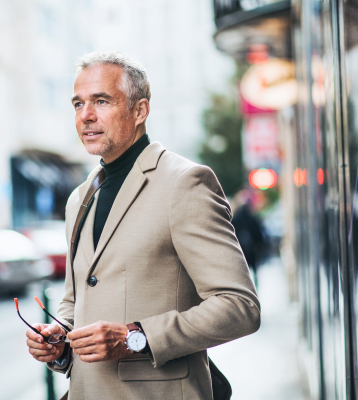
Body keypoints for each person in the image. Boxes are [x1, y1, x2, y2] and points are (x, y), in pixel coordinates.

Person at [25, 51, 260, 400]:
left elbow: (240, 306)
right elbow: (76, 301)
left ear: (140, 111)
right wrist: (60, 340)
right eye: (78, 103)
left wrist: (137, 337)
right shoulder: (79, 198)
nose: (86, 116)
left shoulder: (185, 183)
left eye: (101, 101)